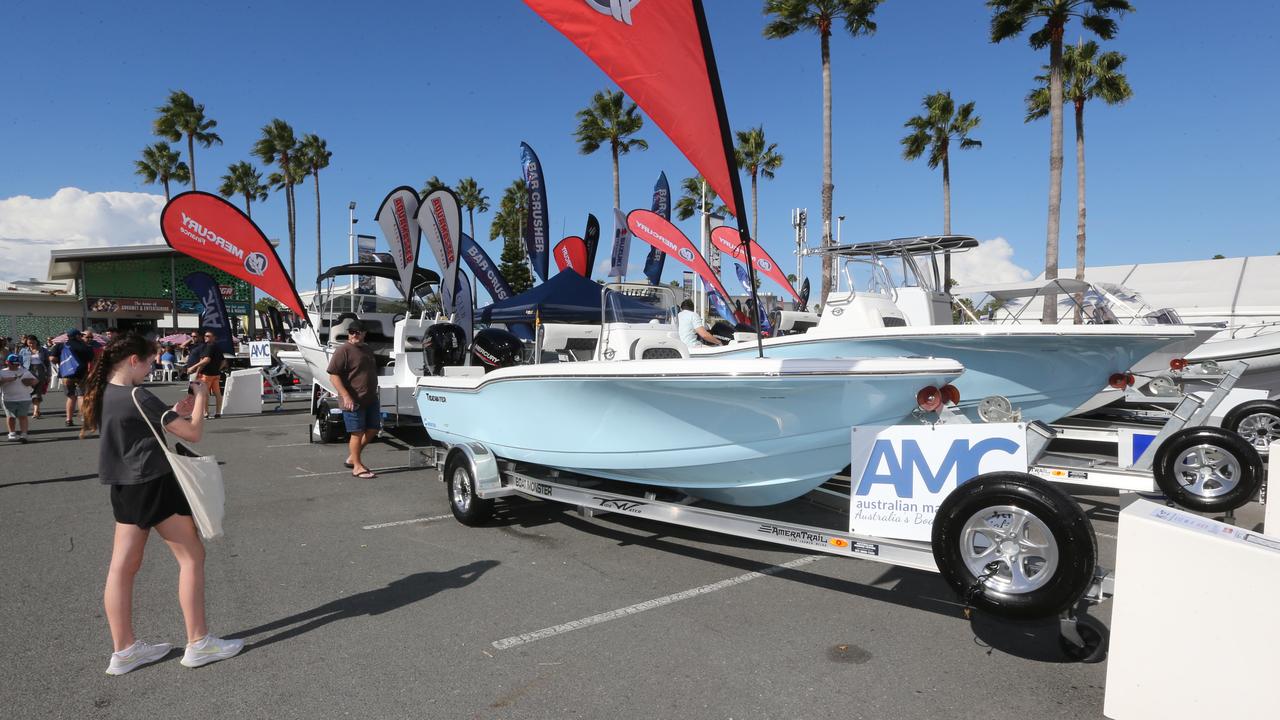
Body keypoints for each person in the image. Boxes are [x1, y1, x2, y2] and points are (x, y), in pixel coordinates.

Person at [82, 332, 243, 675]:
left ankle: (124, 650)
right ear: (132, 361)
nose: (153, 366)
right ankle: (199, 642)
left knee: (121, 567)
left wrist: (173, 411)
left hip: (123, 485)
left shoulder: (103, 391)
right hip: (153, 482)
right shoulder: (138, 393)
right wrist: (198, 399)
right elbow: (193, 433)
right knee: (192, 556)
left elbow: (137, 425)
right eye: (151, 360)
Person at [326, 320, 381, 478]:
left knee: (373, 429)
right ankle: (357, 466)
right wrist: (346, 396)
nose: (354, 335)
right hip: (352, 400)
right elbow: (333, 376)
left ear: (364, 333)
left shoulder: (367, 349)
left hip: (370, 398)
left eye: (357, 332)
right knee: (356, 433)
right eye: (351, 332)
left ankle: (352, 457)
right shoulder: (343, 350)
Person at [53, 329, 96, 427]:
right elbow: (91, 359)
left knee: (71, 397)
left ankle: (69, 419)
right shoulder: (85, 346)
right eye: (80, 335)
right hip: (81, 374)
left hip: (66, 375)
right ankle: (84, 419)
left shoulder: (61, 345)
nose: (81, 337)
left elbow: (52, 358)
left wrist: (62, 361)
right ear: (77, 336)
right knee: (81, 396)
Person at [183, 330, 224, 418]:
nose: (206, 337)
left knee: (205, 394)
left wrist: (194, 369)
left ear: (214, 337)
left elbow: (205, 360)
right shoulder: (217, 347)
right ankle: (218, 412)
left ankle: (206, 413)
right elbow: (224, 362)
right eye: (205, 335)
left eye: (208, 336)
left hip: (207, 374)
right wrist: (217, 368)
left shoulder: (208, 346)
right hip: (216, 374)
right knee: (217, 393)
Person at [2, 353, 38, 442]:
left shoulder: (24, 371)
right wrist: (7, 380)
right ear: (7, 362)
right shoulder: (2, 372)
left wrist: (30, 381)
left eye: (17, 364)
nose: (15, 366)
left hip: (24, 398)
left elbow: (36, 381)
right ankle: (12, 433)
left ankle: (24, 434)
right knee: (11, 417)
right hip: (8, 399)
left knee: (23, 416)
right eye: (13, 364)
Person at [20, 335, 51, 418]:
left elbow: (48, 364)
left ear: (36, 341)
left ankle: (35, 411)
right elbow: (20, 363)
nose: (31, 344)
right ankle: (37, 409)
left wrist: (48, 375)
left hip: (40, 372)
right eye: (29, 343)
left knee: (37, 392)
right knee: (31, 392)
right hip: (28, 372)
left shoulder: (43, 350)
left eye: (32, 342)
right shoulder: (23, 351)